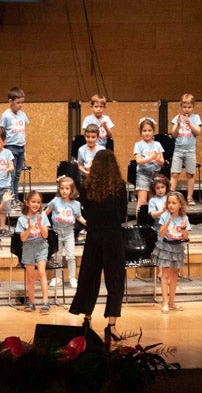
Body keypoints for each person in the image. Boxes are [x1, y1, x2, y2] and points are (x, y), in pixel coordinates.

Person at [70, 148, 127, 340]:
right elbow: (123, 215)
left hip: (94, 236)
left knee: (89, 277)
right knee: (116, 280)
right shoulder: (120, 186)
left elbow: (85, 212)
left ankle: (87, 318)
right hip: (113, 237)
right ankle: (111, 325)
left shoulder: (87, 187)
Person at [45, 176, 85, 289]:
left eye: (67, 188)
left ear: (72, 190)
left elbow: (79, 217)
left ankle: (72, 277)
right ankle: (58, 278)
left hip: (69, 233)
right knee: (57, 256)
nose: (64, 191)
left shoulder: (75, 204)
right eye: (62, 188)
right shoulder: (55, 201)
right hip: (56, 232)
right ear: (59, 189)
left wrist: (88, 223)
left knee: (70, 256)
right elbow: (46, 213)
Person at [153, 191, 190, 313]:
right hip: (166, 247)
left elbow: (185, 236)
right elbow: (162, 234)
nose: (171, 205)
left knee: (174, 276)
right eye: (169, 203)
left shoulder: (184, 218)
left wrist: (184, 228)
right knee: (165, 275)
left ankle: (171, 302)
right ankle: (164, 302)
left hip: (177, 247)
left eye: (174, 203)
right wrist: (167, 223)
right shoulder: (164, 216)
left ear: (180, 204)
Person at [16, 190, 50, 313]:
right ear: (27, 203)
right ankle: (32, 302)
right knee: (30, 276)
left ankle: (46, 302)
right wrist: (29, 228)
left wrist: (40, 225)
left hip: (41, 246)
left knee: (41, 272)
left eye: (38, 202)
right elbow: (23, 238)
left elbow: (45, 235)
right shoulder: (21, 219)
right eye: (33, 202)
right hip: (28, 247)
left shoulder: (43, 216)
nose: (36, 205)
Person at [168, 93, 201, 204]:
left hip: (190, 150)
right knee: (175, 174)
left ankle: (190, 197)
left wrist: (190, 123)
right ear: (181, 106)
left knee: (190, 174)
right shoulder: (177, 118)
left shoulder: (196, 118)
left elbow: (198, 132)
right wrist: (177, 125)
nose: (187, 109)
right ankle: (171, 197)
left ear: (193, 107)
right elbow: (174, 134)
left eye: (189, 107)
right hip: (178, 150)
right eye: (185, 107)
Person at [0, 87, 28, 205]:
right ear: (11, 102)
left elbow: (23, 132)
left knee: (17, 175)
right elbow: (2, 131)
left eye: (22, 102)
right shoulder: (6, 116)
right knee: (11, 175)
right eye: (18, 103)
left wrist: (25, 150)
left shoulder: (22, 115)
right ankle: (10, 200)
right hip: (10, 148)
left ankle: (15, 199)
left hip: (21, 147)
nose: (20, 105)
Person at [133, 118, 165, 208]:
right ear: (141, 132)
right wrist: (150, 158)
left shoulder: (157, 144)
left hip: (155, 174)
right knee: (142, 200)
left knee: (153, 200)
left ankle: (152, 221)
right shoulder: (138, 145)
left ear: (153, 131)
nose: (147, 133)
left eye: (149, 130)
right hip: (143, 175)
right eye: (144, 131)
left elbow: (162, 162)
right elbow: (139, 161)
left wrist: (157, 160)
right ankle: (141, 221)